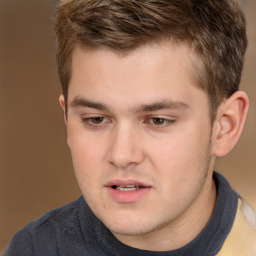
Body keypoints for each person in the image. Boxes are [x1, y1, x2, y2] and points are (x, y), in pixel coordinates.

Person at [4, 0, 256, 255]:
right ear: (67, 120)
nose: (122, 155)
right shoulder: (32, 249)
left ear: (225, 127)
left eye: (158, 120)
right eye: (96, 119)